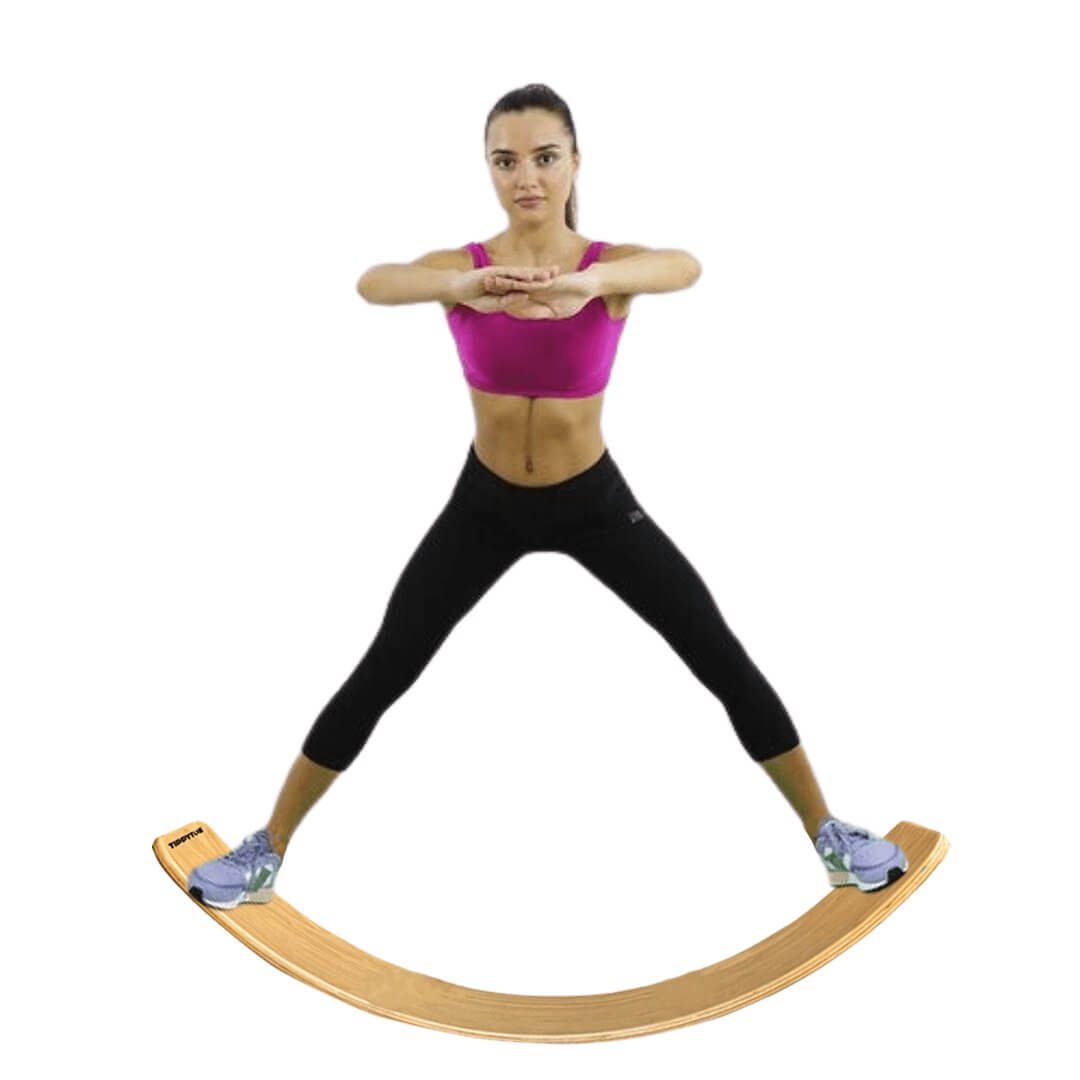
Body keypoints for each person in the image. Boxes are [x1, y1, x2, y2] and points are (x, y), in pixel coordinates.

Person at [187, 84, 908, 912]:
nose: (525, 176)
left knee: (716, 652)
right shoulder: (464, 268)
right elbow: (371, 283)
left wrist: (587, 286)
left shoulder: (610, 268)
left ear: (574, 162)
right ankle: (267, 850)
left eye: (543, 157)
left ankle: (828, 835)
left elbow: (685, 265)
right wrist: (455, 291)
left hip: (594, 503)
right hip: (485, 504)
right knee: (387, 665)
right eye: (505, 160)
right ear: (488, 169)